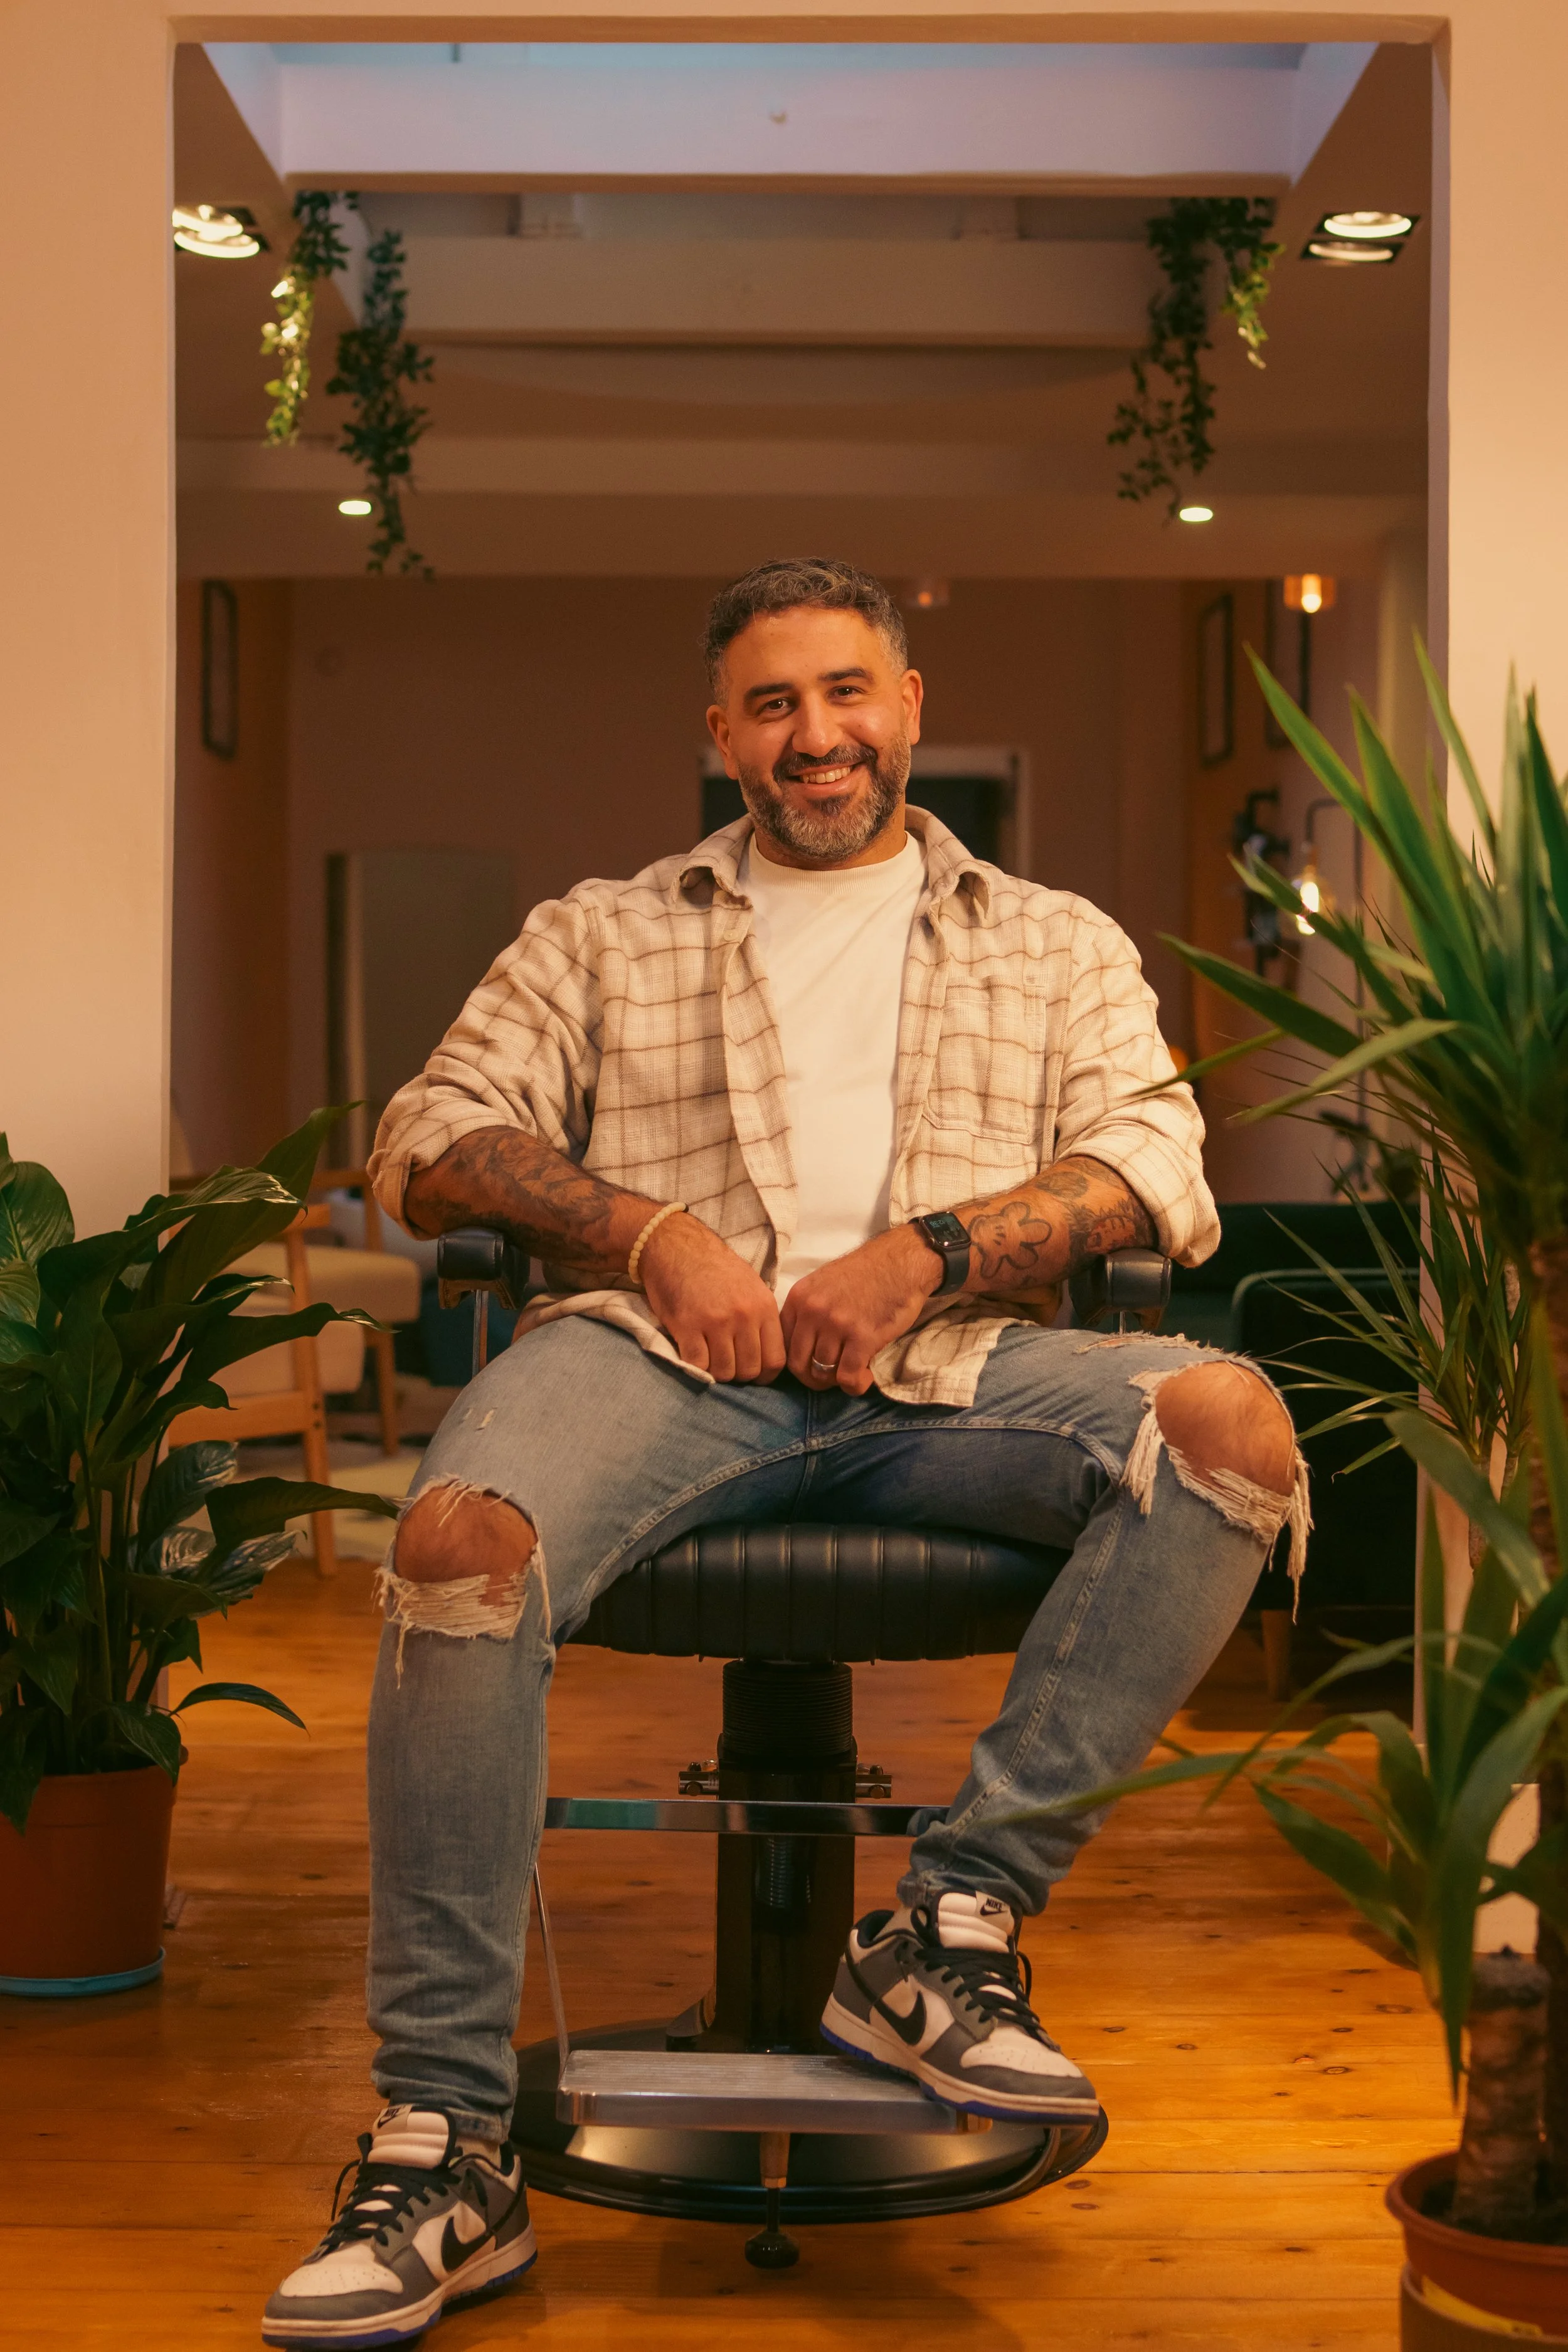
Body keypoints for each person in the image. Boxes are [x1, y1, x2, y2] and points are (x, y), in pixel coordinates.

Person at [262, 557, 1305, 2348]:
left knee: (1227, 1423)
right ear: (719, 736)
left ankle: (948, 1928)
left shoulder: (1048, 938)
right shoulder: (604, 926)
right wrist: (658, 1238)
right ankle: (445, 2144)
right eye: (769, 703)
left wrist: (930, 1253)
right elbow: (424, 1141)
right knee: (451, 1543)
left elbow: (1157, 1163)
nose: (811, 736)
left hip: (957, 1377)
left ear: (903, 706)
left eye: (843, 693)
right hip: (652, 1371)